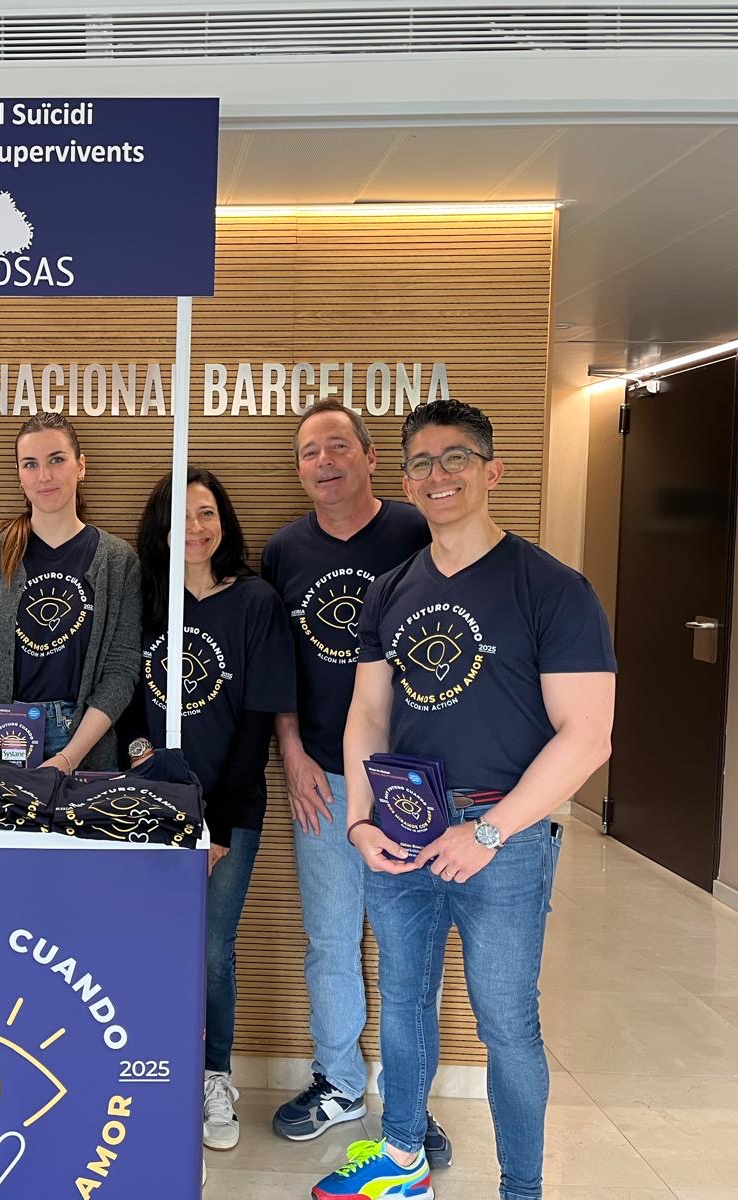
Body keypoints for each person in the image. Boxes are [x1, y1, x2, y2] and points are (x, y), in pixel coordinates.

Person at [312, 399, 615, 1200]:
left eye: (455, 459)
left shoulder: (552, 589)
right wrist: (358, 819)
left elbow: (588, 737)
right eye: (421, 463)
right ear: (404, 478)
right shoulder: (390, 591)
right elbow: (368, 714)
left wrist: (487, 831)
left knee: (506, 1024)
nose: (437, 476)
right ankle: (404, 1155)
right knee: (405, 1003)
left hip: (504, 841)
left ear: (491, 470)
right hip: (403, 829)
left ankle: (522, 1189)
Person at [258, 400, 447, 1158]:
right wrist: (294, 754)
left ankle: (409, 1103)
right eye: (310, 452)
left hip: (409, 780)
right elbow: (276, 669)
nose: (324, 461)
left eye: (339, 446)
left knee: (411, 947)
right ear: (299, 469)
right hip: (322, 781)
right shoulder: (282, 552)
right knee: (330, 939)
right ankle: (338, 1082)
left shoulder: (414, 531)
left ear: (373, 459)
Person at [129, 467, 295, 1152]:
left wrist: (217, 828)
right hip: (147, 809)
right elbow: (126, 701)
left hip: (230, 808)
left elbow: (257, 721)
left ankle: (213, 1076)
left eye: (206, 514)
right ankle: (150, 1072)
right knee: (147, 947)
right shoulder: (144, 599)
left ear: (223, 521)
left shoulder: (256, 601)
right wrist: (139, 748)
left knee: (211, 951)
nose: (194, 530)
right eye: (180, 517)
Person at [0, 412, 141, 770]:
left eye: (57, 460)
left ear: (81, 466)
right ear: (19, 474)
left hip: (80, 739)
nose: (44, 476)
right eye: (30, 464)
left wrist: (67, 758)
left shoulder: (117, 561)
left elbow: (120, 673)